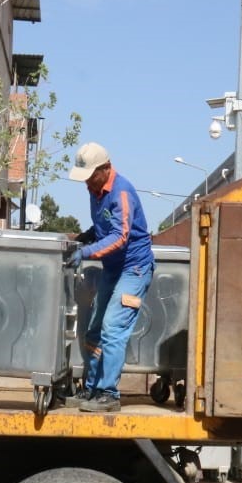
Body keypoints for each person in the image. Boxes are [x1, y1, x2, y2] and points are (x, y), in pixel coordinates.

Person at [67, 141, 155, 413]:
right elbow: (106, 224)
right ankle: (92, 390)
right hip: (114, 270)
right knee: (93, 331)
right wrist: (89, 235)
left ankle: (109, 394)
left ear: (106, 168)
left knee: (113, 329)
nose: (87, 184)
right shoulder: (97, 190)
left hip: (134, 269)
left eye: (91, 176)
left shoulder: (122, 192)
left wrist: (87, 252)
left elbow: (120, 237)